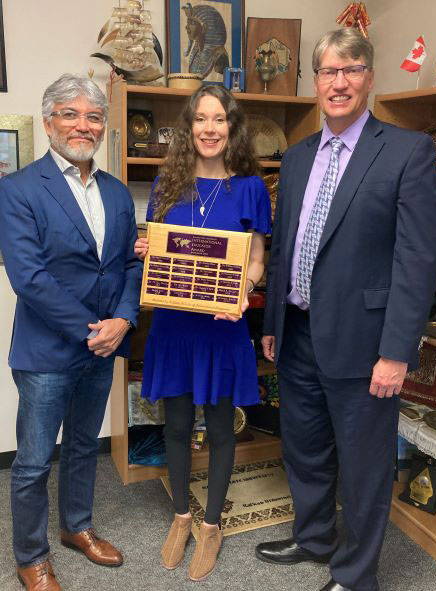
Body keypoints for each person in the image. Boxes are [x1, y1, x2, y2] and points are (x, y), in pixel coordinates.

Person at [255, 28, 436, 591]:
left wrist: (396, 351)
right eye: (328, 72)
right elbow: (285, 244)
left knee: (362, 467)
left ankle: (357, 575)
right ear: (316, 82)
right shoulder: (296, 157)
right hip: (298, 334)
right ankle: (313, 537)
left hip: (366, 343)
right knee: (305, 448)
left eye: (351, 70)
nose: (339, 83)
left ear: (368, 77)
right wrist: (272, 325)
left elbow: (419, 259)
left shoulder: (408, 152)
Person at [0, 74, 142, 591]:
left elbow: (128, 264)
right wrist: (93, 331)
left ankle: (76, 527)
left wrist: (123, 321)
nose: (83, 125)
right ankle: (31, 557)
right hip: (47, 352)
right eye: (70, 114)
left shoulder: (116, 192)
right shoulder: (17, 189)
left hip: (103, 345)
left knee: (83, 446)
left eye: (94, 117)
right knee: (35, 461)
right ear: (48, 121)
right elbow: (28, 277)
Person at [134, 84, 271, 581]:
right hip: (173, 326)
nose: (210, 129)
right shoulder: (166, 182)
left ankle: (210, 525)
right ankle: (181, 518)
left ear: (231, 129)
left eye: (220, 120)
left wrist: (245, 288)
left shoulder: (251, 188)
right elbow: (152, 244)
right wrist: (146, 251)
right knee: (173, 426)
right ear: (189, 126)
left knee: (218, 428)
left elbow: (256, 257)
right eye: (201, 119)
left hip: (221, 327)